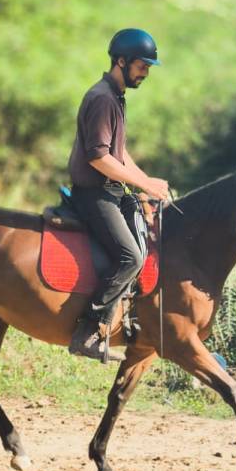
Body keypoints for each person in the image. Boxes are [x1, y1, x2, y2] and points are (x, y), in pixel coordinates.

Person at [67, 28, 169, 362]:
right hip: (94, 194)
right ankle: (90, 330)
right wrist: (142, 185)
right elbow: (99, 158)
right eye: (142, 66)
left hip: (110, 190)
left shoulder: (116, 96)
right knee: (131, 257)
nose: (146, 73)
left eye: (149, 67)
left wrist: (148, 182)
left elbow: (120, 154)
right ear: (121, 62)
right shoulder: (102, 98)